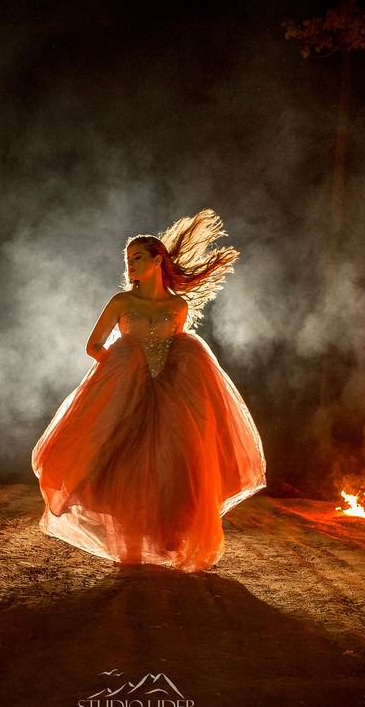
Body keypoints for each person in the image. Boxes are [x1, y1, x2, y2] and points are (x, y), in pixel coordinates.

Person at [32, 209, 266, 572]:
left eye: (137, 258)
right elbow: (93, 346)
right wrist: (122, 367)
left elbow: (176, 346)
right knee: (123, 461)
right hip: (127, 390)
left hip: (172, 392)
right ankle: (131, 548)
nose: (130, 266)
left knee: (175, 463)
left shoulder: (178, 306)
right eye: (128, 260)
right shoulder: (122, 302)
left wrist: (170, 373)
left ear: (157, 261)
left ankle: (169, 536)